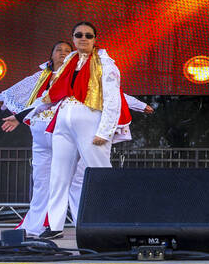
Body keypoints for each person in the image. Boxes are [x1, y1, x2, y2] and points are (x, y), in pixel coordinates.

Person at [0, 40, 153, 236]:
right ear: (51, 54)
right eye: (59, 50)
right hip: (44, 136)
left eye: (67, 51)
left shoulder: (86, 71)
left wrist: (137, 106)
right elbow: (42, 99)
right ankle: (40, 226)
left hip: (73, 133)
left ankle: (93, 223)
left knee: (80, 180)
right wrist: (19, 116)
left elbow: (114, 94)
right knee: (45, 181)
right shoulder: (42, 76)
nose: (63, 53)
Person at [24, 22, 131, 240]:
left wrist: (105, 131)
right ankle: (54, 225)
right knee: (59, 174)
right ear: (73, 38)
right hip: (64, 118)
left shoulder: (106, 64)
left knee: (100, 171)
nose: (83, 38)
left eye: (88, 35)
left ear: (94, 39)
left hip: (90, 119)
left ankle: (114, 221)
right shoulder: (68, 63)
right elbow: (52, 94)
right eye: (79, 35)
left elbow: (113, 100)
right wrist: (21, 115)